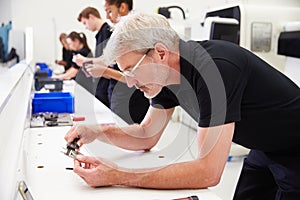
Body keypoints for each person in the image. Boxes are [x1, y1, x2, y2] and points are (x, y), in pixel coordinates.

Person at [65, 12, 300, 199]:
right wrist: (96, 132)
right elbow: (147, 134)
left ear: (160, 52)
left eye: (132, 71)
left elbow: (208, 171)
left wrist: (118, 175)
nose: (129, 82)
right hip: (263, 146)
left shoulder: (214, 69)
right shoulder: (165, 76)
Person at [75, 1, 149, 123]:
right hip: (118, 95)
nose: (107, 17)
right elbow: (111, 63)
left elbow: (134, 78)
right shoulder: (117, 32)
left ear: (123, 7)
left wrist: (104, 71)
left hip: (131, 100)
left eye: (109, 11)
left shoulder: (135, 33)